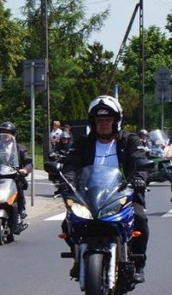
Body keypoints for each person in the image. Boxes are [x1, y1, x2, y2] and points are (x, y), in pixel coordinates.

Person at [61, 95, 149, 283]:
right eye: (99, 120)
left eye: (107, 120)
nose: (103, 124)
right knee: (67, 223)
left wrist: (139, 178)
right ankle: (78, 258)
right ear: (92, 122)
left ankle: (139, 262)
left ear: (116, 121)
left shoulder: (129, 141)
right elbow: (71, 164)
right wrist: (66, 181)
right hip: (89, 196)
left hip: (122, 193)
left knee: (140, 218)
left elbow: (138, 160)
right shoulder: (83, 143)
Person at [0, 121, 33, 227]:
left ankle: (19, 212)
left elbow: (28, 162)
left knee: (19, 185)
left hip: (14, 176)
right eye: (3, 132)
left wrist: (25, 170)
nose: (5, 134)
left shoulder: (20, 148)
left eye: (8, 132)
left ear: (12, 134)